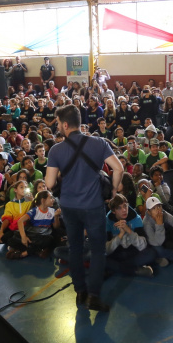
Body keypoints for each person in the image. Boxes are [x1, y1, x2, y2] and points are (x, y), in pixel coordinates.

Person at [45, 105, 123, 313]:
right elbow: (118, 168)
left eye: (59, 123)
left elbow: (50, 184)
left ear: (66, 124)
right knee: (98, 251)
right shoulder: (98, 143)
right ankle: (95, 296)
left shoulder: (56, 150)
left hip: (69, 207)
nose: (58, 126)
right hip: (93, 206)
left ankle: (80, 292)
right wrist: (113, 190)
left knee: (75, 249)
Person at [104, 194, 157, 278]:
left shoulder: (136, 218)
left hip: (133, 253)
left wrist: (128, 230)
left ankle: (117, 268)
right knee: (100, 258)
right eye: (119, 208)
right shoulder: (108, 221)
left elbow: (142, 246)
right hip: (117, 254)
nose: (124, 210)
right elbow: (106, 250)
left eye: (125, 206)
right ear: (114, 211)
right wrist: (120, 235)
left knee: (151, 254)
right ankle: (136, 271)